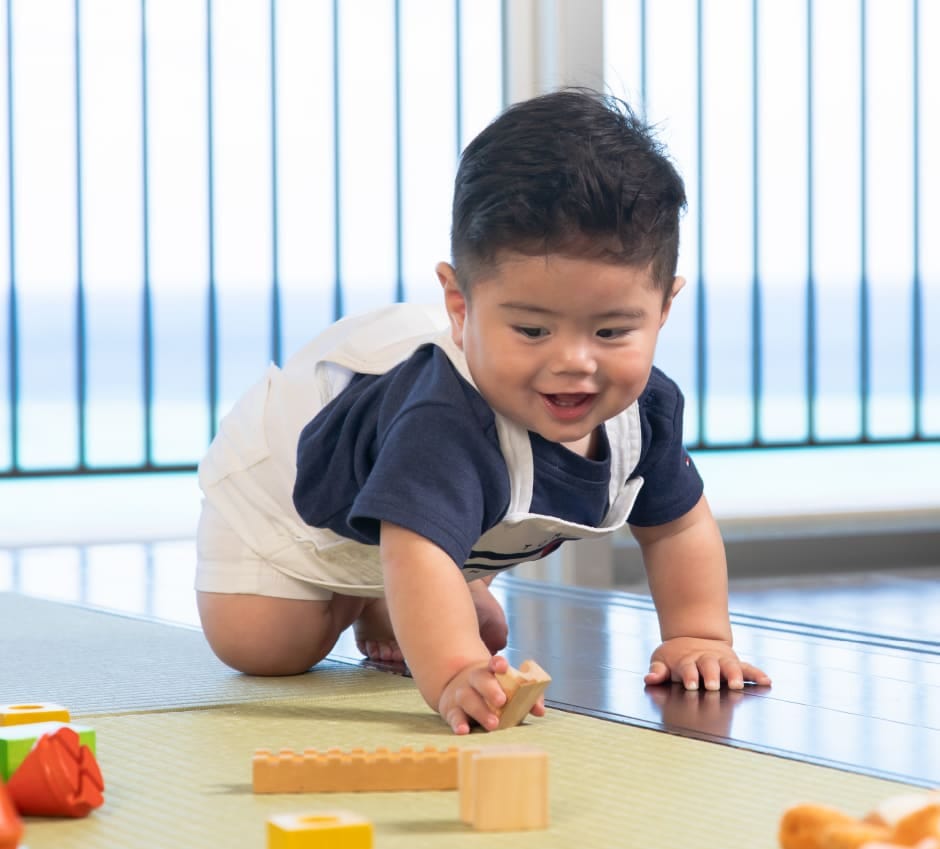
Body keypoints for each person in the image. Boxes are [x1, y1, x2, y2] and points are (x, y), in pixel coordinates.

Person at [195, 87, 772, 736]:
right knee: (267, 645)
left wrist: (698, 634)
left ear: (664, 306)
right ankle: (370, 597)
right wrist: (455, 670)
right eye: (532, 330)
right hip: (291, 492)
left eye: (611, 332)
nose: (574, 362)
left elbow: (677, 528)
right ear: (460, 304)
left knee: (434, 580)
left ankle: (409, 597)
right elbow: (415, 549)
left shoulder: (646, 412)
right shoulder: (445, 415)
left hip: (420, 534)